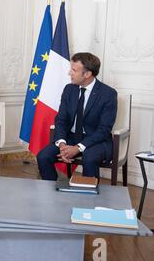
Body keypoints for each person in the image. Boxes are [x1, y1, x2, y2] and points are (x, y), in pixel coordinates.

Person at [37, 52, 118, 180]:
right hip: (70, 138)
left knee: (89, 159)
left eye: (74, 70)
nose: (69, 73)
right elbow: (61, 120)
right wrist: (62, 145)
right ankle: (51, 194)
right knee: (43, 156)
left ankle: (88, 198)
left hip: (96, 140)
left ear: (87, 74)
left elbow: (104, 130)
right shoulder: (69, 89)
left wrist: (78, 148)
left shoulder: (108, 94)